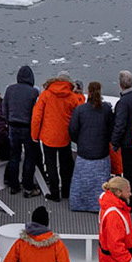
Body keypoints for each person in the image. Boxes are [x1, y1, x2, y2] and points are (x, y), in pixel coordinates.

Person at [30, 72, 82, 202]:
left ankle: (54, 193)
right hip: (65, 137)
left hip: (48, 136)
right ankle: (66, 191)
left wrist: (34, 134)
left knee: (51, 165)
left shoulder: (46, 95)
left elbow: (37, 116)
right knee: (66, 165)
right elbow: (80, 114)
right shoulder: (72, 96)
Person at [67, 81, 116, 214]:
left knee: (81, 182)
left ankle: (79, 204)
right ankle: (98, 204)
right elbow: (111, 129)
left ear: (88, 92)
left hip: (84, 153)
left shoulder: (80, 110)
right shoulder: (106, 109)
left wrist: (80, 142)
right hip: (101, 153)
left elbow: (72, 130)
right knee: (100, 183)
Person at [4, 64, 41, 197]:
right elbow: (36, 113)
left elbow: (5, 109)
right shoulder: (33, 92)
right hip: (28, 128)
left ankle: (14, 186)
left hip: (13, 127)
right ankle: (28, 187)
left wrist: (8, 123)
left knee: (14, 156)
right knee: (30, 158)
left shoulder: (9, 90)